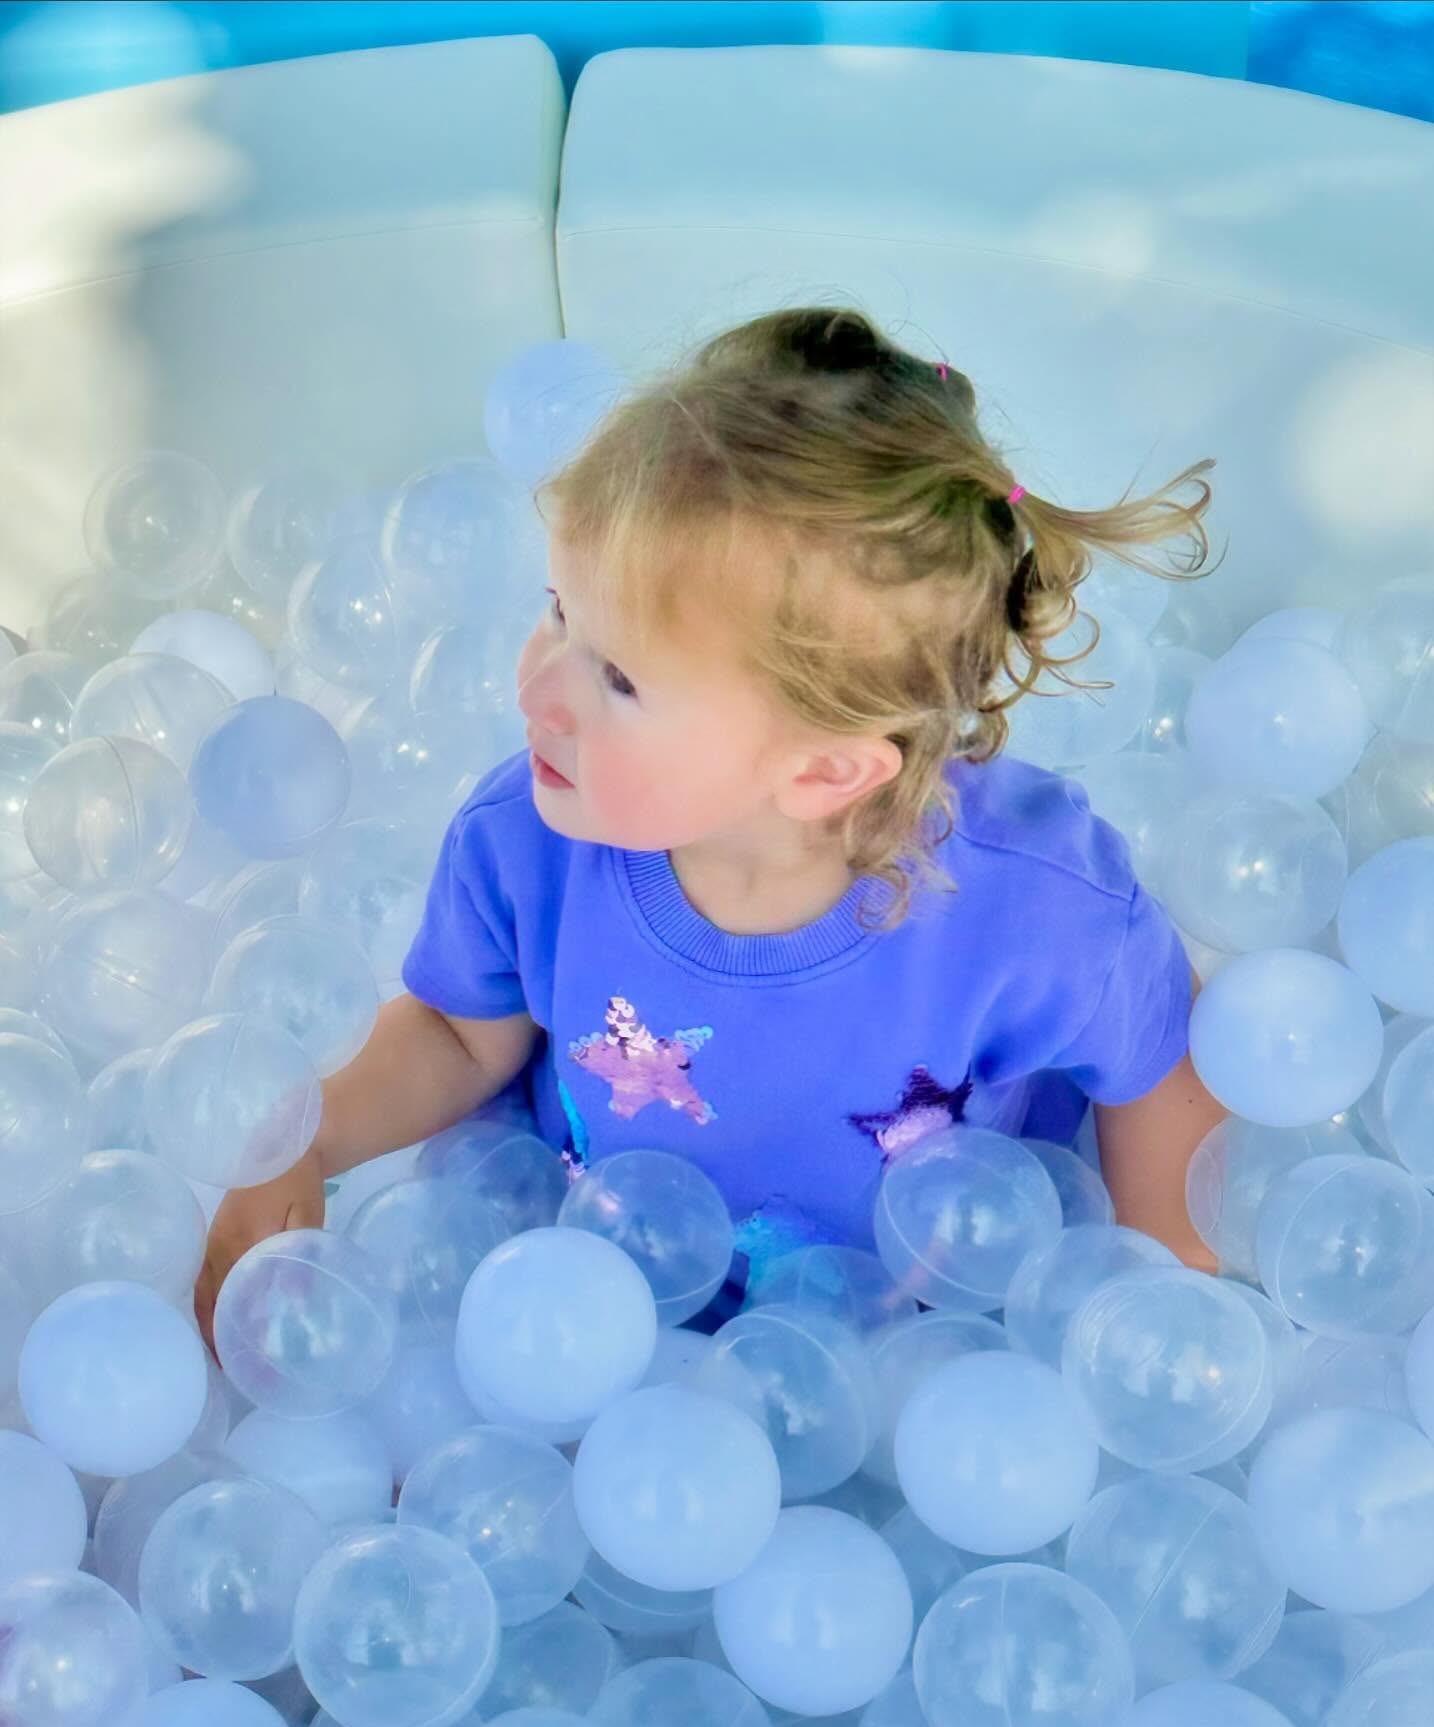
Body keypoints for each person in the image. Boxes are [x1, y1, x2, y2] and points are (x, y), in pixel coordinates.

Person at [195, 304, 1228, 1347]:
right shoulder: (526, 844)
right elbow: (460, 1038)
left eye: (619, 679)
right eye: (558, 610)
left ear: (822, 770)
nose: (537, 692)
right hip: (598, 1293)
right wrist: (301, 1141)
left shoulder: (1029, 905)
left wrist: (1172, 1282)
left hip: (910, 1331)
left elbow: (1153, 1048)